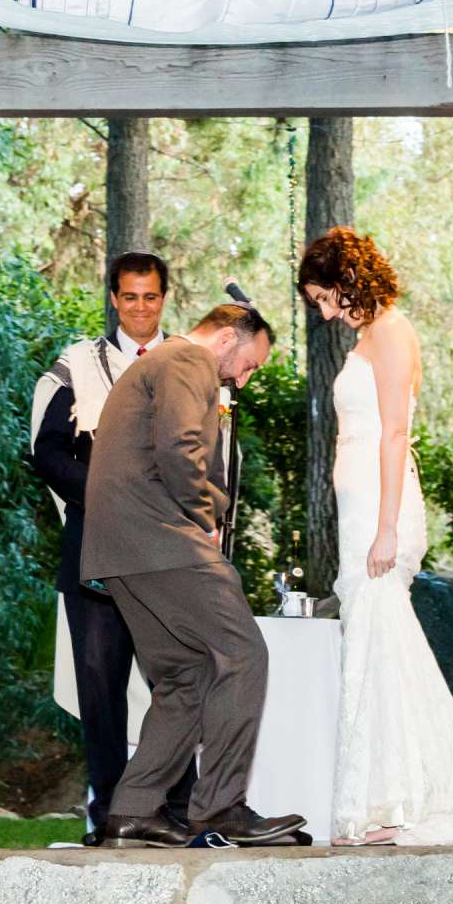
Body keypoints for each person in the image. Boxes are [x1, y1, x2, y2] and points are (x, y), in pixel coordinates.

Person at [301, 228, 453, 846]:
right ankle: (381, 798)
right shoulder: (365, 338)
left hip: (383, 508)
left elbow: (396, 434)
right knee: (371, 648)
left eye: (325, 297)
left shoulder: (394, 334)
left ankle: (405, 800)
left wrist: (384, 527)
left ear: (349, 282)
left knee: (389, 645)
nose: (324, 312)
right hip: (358, 510)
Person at [80, 303, 302, 849]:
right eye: (249, 364)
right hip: (157, 536)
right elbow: (180, 449)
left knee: (185, 676)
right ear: (227, 338)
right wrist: (204, 518)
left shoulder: (159, 363)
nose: (244, 379)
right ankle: (220, 808)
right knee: (244, 652)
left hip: (120, 549)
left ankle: (132, 809)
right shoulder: (187, 360)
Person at [28, 250, 196, 844]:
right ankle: (110, 812)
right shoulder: (78, 365)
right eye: (130, 297)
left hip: (170, 556)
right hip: (95, 548)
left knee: (177, 682)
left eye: (151, 297)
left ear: (164, 299)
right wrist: (107, 491)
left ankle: (178, 810)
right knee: (101, 690)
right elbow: (46, 453)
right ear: (113, 299)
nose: (141, 308)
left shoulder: (189, 364)